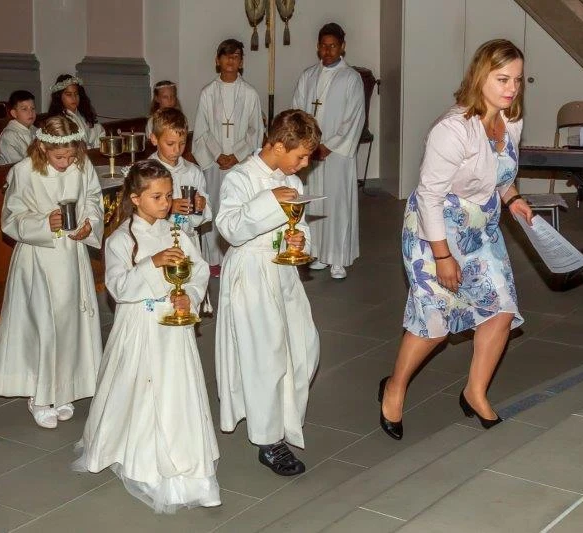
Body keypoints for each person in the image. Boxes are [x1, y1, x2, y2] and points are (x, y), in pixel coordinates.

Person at [379, 39, 533, 441]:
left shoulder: (510, 121)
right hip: (435, 230)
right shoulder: (452, 129)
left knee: (501, 310)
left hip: (480, 230)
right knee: (435, 322)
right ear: (480, 76)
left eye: (517, 80)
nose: (512, 88)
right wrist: (443, 256)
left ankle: (474, 392)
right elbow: (429, 197)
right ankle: (394, 387)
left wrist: (513, 199)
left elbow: (498, 175)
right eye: (503, 79)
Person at [73, 160, 220, 514]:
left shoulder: (177, 232)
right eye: (157, 197)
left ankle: (188, 466)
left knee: (176, 391)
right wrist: (152, 264)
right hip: (140, 326)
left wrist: (189, 296)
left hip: (173, 328)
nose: (166, 203)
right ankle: (141, 458)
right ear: (136, 198)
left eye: (169, 195)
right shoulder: (121, 239)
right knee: (139, 389)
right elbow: (119, 288)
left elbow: (198, 271)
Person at [215, 109, 321, 476]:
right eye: (301, 156)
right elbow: (230, 227)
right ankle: (268, 440)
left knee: (304, 346)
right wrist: (271, 200)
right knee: (265, 356)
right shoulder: (240, 177)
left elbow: (300, 225)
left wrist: (300, 240)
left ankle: (283, 413)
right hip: (251, 272)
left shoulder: (293, 181)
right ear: (277, 146)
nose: (304, 165)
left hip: (282, 271)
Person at [0, 116, 104, 429]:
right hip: (38, 258)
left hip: (71, 256)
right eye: (59, 157)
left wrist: (89, 224)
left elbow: (93, 198)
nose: (66, 163)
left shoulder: (81, 166)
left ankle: (63, 390)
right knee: (43, 327)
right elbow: (11, 218)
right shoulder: (24, 172)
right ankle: (39, 396)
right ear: (42, 148)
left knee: (69, 325)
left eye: (71, 156)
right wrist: (42, 223)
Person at [291, 22, 365, 280]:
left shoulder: (351, 78)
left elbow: (354, 118)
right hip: (309, 152)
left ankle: (338, 259)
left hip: (337, 154)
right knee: (314, 202)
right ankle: (318, 254)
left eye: (333, 46)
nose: (328, 50)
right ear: (317, 47)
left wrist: (328, 145)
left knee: (337, 203)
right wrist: (307, 144)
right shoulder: (308, 76)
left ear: (342, 47)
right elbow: (297, 112)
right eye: (323, 45)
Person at [192, 38, 264, 274]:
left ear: (241, 62)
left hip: (240, 164)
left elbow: (255, 130)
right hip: (215, 164)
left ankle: (237, 257)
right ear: (217, 60)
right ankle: (213, 259)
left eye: (236, 56)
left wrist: (236, 155)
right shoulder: (208, 93)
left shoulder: (250, 94)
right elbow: (201, 130)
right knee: (213, 207)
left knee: (238, 208)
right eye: (226, 55)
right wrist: (218, 155)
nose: (231, 60)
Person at [148, 108, 211, 253]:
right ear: (154, 139)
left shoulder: (193, 172)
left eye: (182, 143)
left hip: (187, 241)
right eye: (170, 144)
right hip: (158, 244)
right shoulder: (147, 172)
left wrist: (200, 207)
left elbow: (202, 216)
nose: (177, 150)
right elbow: (140, 211)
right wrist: (169, 207)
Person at [47, 74, 104, 149]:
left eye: (76, 94)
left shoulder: (84, 114)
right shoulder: (58, 120)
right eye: (69, 94)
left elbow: (99, 132)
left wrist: (96, 148)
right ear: (59, 97)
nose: (74, 98)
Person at [0, 90, 37, 165]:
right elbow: (16, 165)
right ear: (14, 113)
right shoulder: (9, 136)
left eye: (33, 108)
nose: (30, 112)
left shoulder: (36, 130)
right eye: (24, 109)